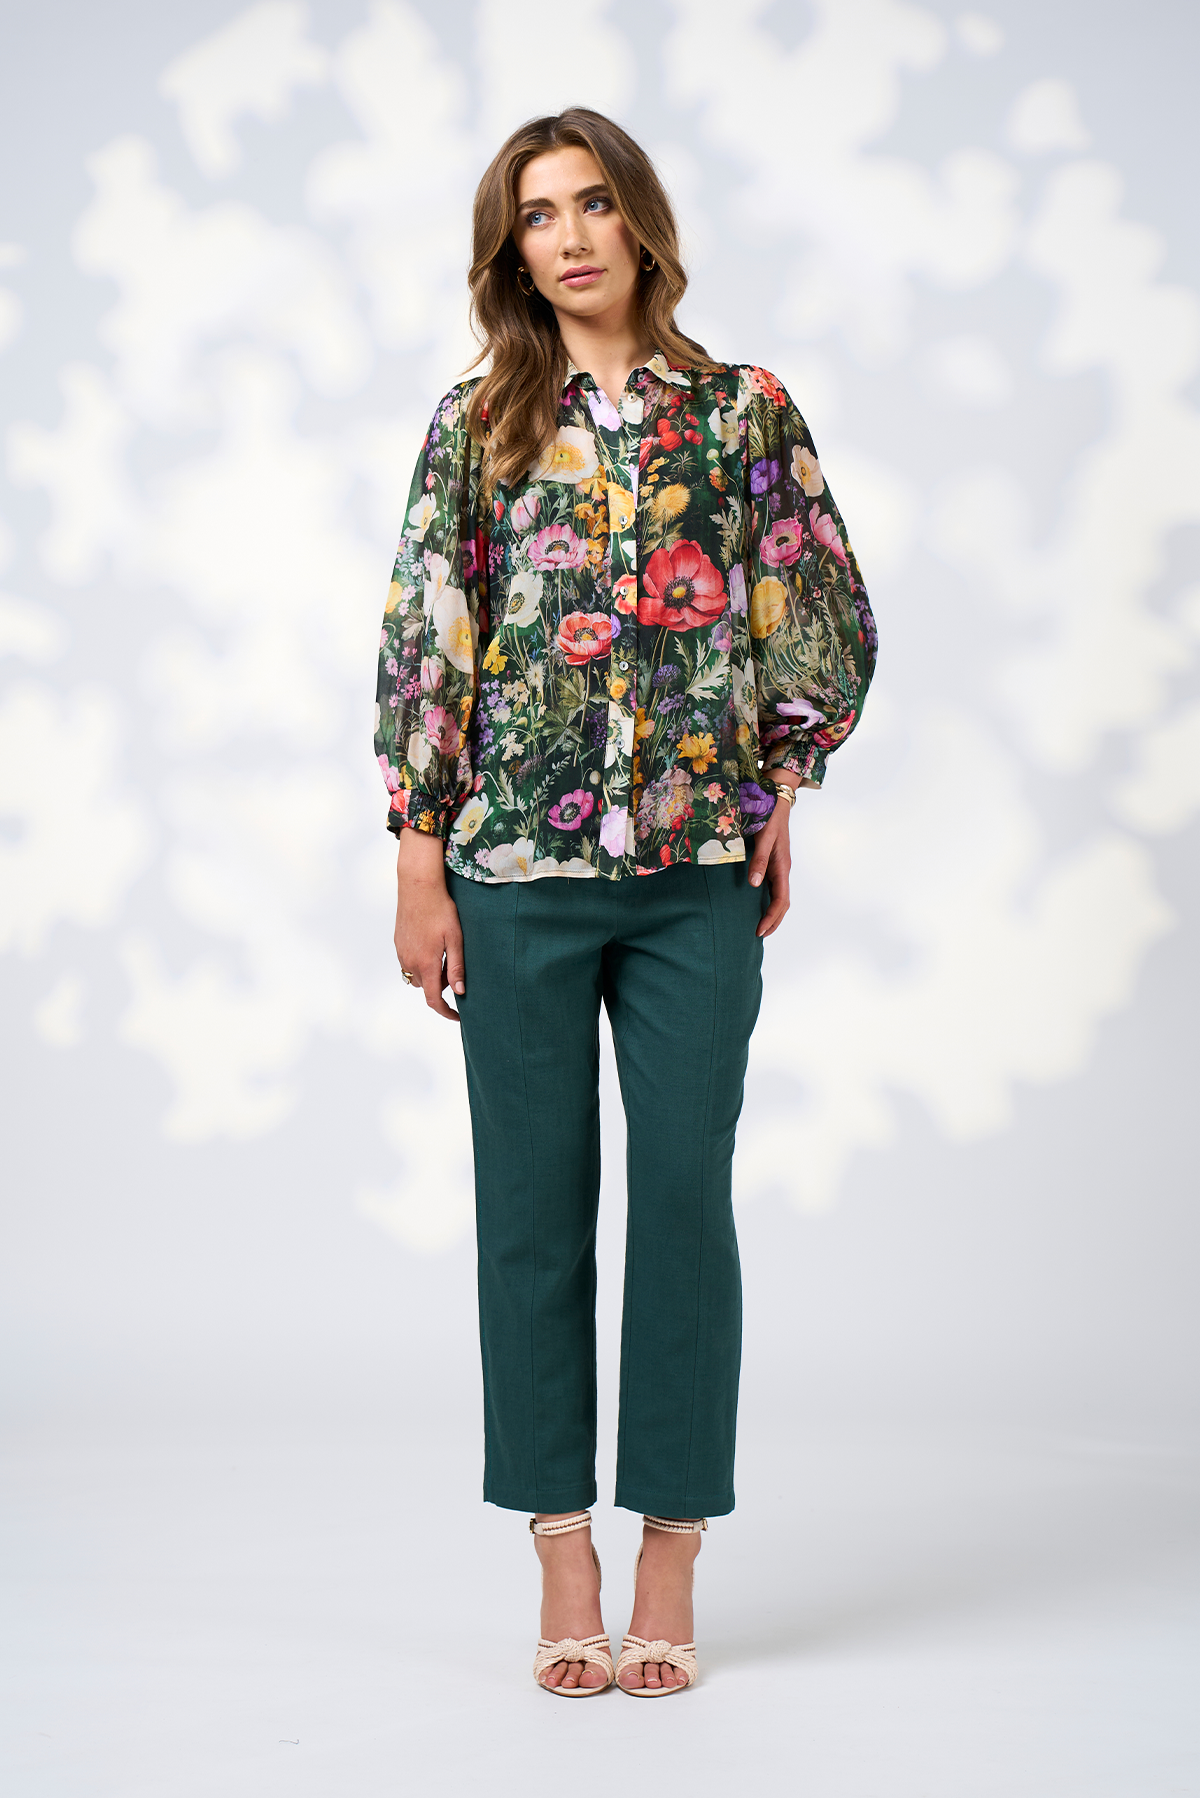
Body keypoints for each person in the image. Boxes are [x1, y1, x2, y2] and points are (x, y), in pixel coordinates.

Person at [375, 107, 876, 1698]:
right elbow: (428, 637)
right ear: (511, 252)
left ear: (640, 220)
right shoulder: (477, 425)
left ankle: (671, 1544)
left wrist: (778, 789)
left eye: (592, 202)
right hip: (511, 874)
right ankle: (559, 1552)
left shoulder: (744, 412)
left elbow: (816, 606)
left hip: (692, 878)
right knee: (531, 1217)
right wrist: (418, 857)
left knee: (683, 1202)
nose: (571, 236)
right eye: (537, 215)